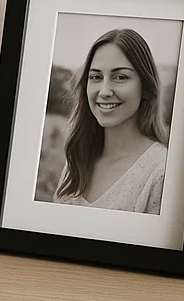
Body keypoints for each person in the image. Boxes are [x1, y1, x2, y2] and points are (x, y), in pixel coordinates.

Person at [54, 28, 168, 214]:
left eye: (120, 77)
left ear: (146, 88)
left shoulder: (160, 173)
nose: (104, 91)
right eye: (96, 77)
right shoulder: (76, 161)